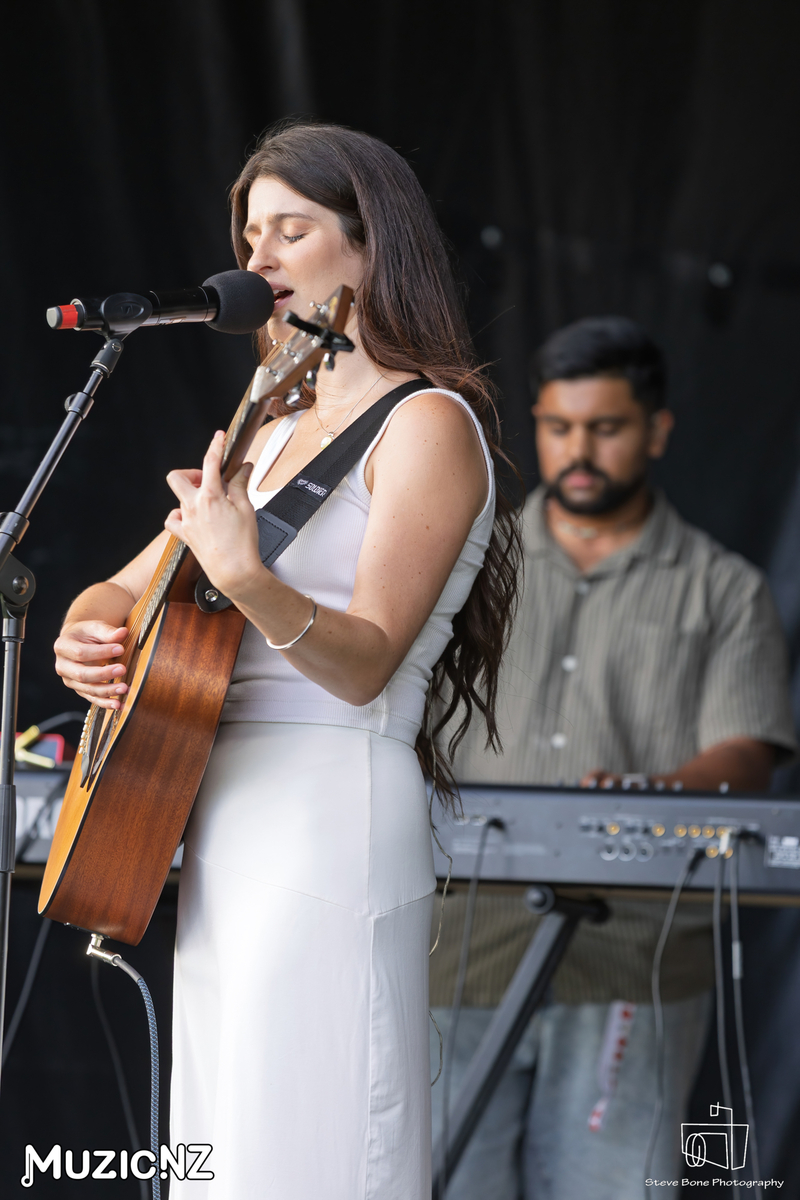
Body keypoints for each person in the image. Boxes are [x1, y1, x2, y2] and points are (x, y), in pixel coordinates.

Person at [53, 121, 520, 1199]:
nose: (256, 258)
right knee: (227, 1146)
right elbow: (117, 591)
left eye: (290, 230)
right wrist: (87, 634)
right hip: (218, 810)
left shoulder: (429, 424)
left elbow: (364, 663)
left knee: (314, 1140)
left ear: (369, 245)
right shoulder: (266, 429)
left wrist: (243, 571)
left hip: (329, 807)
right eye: (249, 234)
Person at [429, 316, 796, 1200]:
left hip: (638, 956)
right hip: (457, 946)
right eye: (558, 427)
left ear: (657, 431)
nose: (579, 451)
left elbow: (748, 755)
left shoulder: (724, 588)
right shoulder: (465, 564)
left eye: (606, 428)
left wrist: (648, 798)